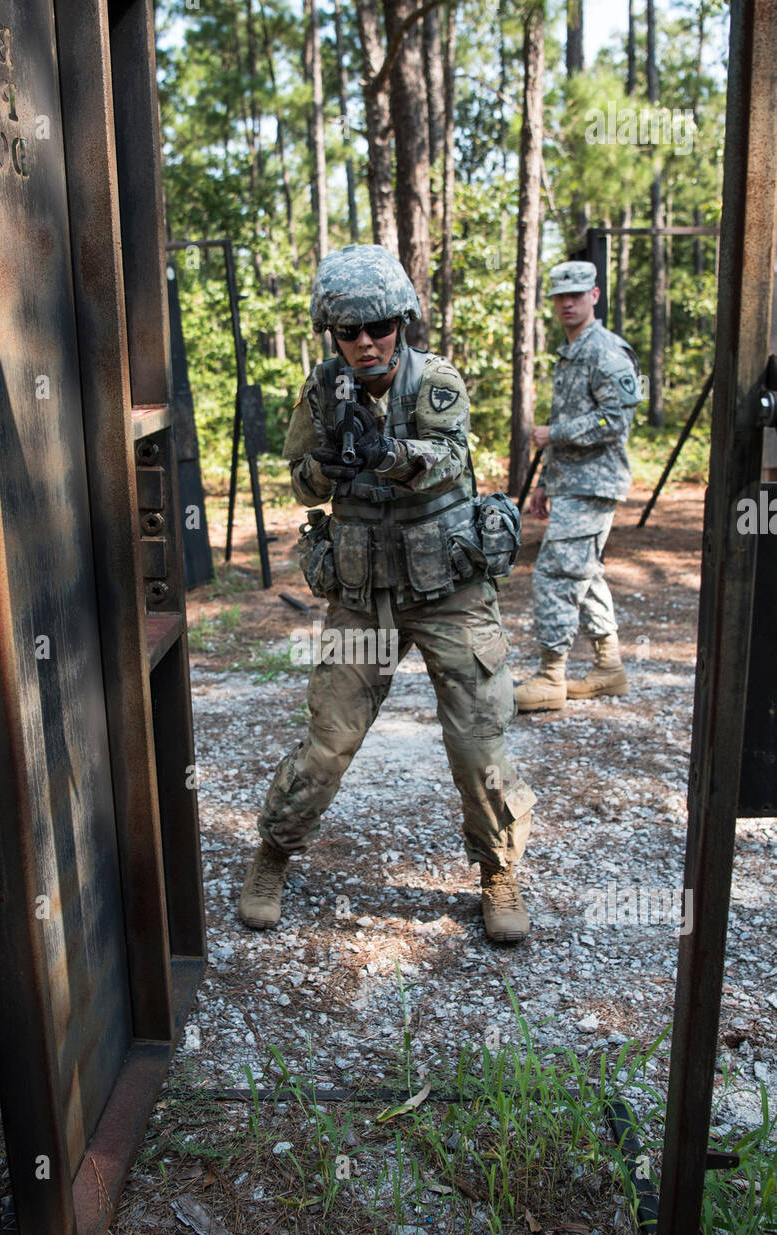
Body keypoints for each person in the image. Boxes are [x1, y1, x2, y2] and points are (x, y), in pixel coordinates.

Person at [238, 243, 535, 944]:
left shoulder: (436, 382)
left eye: (379, 327)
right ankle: (273, 855)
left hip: (447, 591)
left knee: (479, 745)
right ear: (332, 333)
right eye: (349, 332)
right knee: (329, 742)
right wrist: (328, 466)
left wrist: (389, 455)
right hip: (363, 593)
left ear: (402, 323)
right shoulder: (321, 390)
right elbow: (299, 482)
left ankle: (497, 869)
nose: (366, 343)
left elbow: (451, 460)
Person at [516, 260, 643, 712]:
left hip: (594, 484)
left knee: (554, 573)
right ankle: (609, 669)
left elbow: (616, 419)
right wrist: (546, 482)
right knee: (584, 575)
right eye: (560, 296)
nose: (568, 302)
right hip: (571, 482)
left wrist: (557, 433)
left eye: (577, 294)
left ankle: (551, 675)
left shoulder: (605, 351)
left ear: (595, 295)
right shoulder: (570, 351)